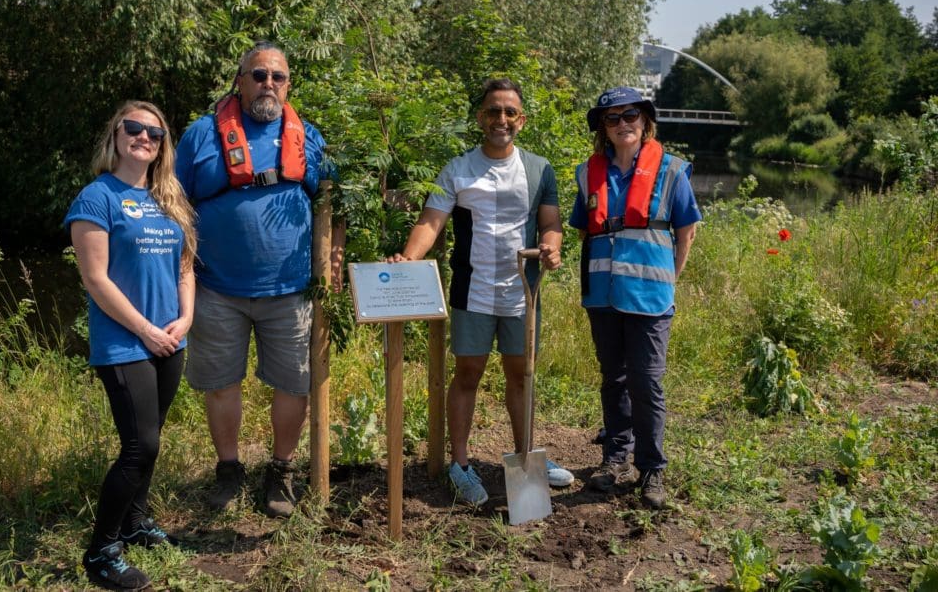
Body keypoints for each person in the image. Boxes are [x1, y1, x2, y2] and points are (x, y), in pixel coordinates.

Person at [175, 41, 343, 518]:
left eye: (278, 77)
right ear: (240, 80)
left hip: (289, 290)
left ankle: (281, 471)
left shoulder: (308, 137)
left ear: (288, 85)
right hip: (216, 288)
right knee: (222, 384)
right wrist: (178, 267)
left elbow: (332, 204)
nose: (268, 83)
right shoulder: (202, 135)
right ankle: (228, 469)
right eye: (259, 75)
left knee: (294, 385)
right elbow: (175, 203)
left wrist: (332, 261)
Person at [388, 78, 574, 506]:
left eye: (510, 112)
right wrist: (409, 257)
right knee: (468, 374)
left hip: (522, 291)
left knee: (520, 374)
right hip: (472, 290)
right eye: (493, 111)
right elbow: (431, 222)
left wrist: (552, 246)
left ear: (521, 120)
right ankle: (461, 464)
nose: (501, 120)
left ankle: (528, 455)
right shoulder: (458, 169)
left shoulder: (539, 169)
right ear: (480, 118)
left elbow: (551, 223)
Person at [66, 101, 196, 590]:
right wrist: (145, 329)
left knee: (152, 438)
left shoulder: (171, 199)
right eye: (134, 128)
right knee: (140, 445)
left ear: (163, 145)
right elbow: (96, 280)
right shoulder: (96, 197)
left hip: (170, 338)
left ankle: (135, 523)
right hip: (126, 343)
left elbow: (184, 267)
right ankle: (101, 552)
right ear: (116, 135)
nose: (144, 137)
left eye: (154, 133)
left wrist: (185, 318)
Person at [569, 86, 700, 510]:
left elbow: (686, 231)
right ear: (602, 129)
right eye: (613, 118)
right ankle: (615, 457)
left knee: (647, 381)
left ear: (645, 122)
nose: (623, 124)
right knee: (614, 378)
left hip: (651, 296)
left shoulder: (672, 171)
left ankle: (651, 466)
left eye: (631, 116)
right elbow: (581, 226)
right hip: (603, 295)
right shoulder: (588, 174)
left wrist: (669, 279)